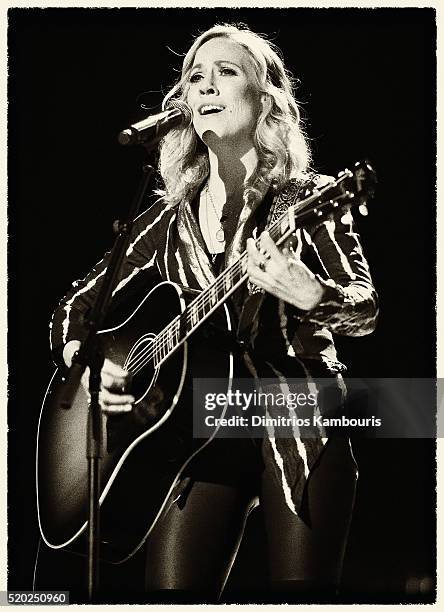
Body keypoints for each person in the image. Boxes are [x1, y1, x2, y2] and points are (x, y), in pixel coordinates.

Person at [49, 23, 378, 603]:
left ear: (266, 100)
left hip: (298, 423)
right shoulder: (165, 221)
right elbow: (76, 308)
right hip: (197, 436)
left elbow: (365, 307)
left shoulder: (307, 198)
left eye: (226, 73)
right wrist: (90, 361)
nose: (204, 86)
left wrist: (313, 297)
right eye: (194, 77)